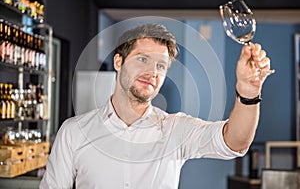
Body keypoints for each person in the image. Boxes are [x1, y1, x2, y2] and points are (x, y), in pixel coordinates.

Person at [40, 23, 272, 188]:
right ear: (118, 62)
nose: (152, 72)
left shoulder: (174, 129)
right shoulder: (73, 132)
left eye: (161, 66)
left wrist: (249, 92)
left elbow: (235, 142)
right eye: (142, 59)